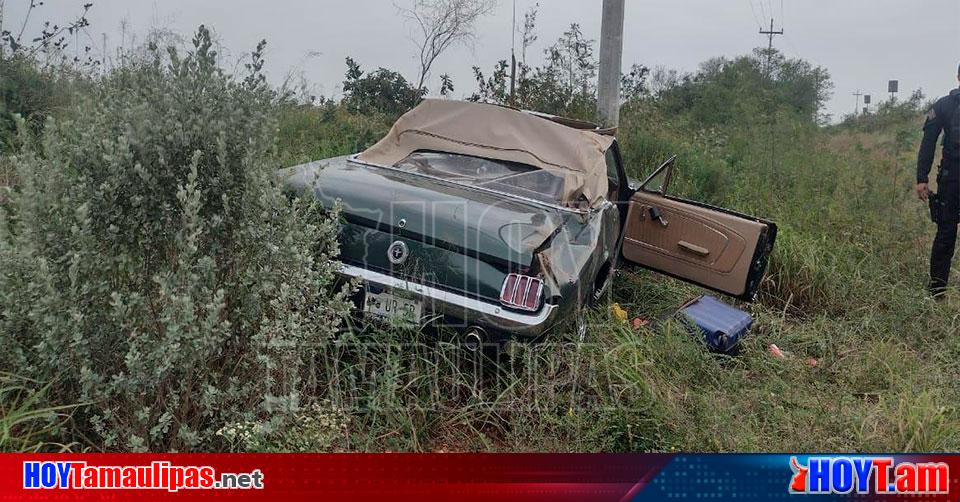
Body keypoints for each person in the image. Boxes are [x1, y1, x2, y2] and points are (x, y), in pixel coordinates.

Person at [916, 63, 960, 298]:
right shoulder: (945, 104)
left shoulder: (944, 104)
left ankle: (937, 292)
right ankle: (937, 291)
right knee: (946, 233)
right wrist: (921, 178)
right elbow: (928, 142)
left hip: (951, 178)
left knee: (945, 233)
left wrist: (922, 178)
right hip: (951, 178)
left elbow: (928, 142)